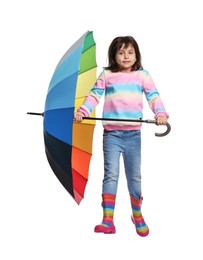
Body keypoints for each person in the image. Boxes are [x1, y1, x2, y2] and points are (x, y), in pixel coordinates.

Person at [74, 36, 169, 236]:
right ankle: (108, 219)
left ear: (136, 54)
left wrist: (160, 114)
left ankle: (137, 214)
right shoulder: (107, 74)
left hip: (133, 136)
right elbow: (94, 95)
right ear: (113, 55)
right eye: (121, 52)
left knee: (134, 177)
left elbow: (153, 96)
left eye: (130, 52)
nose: (126, 56)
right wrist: (83, 111)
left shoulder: (142, 75)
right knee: (111, 174)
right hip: (111, 135)